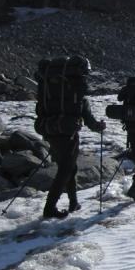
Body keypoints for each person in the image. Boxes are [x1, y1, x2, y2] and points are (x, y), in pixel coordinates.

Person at [34, 56, 106, 219]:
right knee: (66, 170)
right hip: (68, 133)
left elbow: (40, 110)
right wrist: (98, 127)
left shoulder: (49, 90)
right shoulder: (75, 95)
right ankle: (49, 208)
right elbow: (87, 117)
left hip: (50, 129)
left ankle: (74, 202)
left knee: (69, 167)